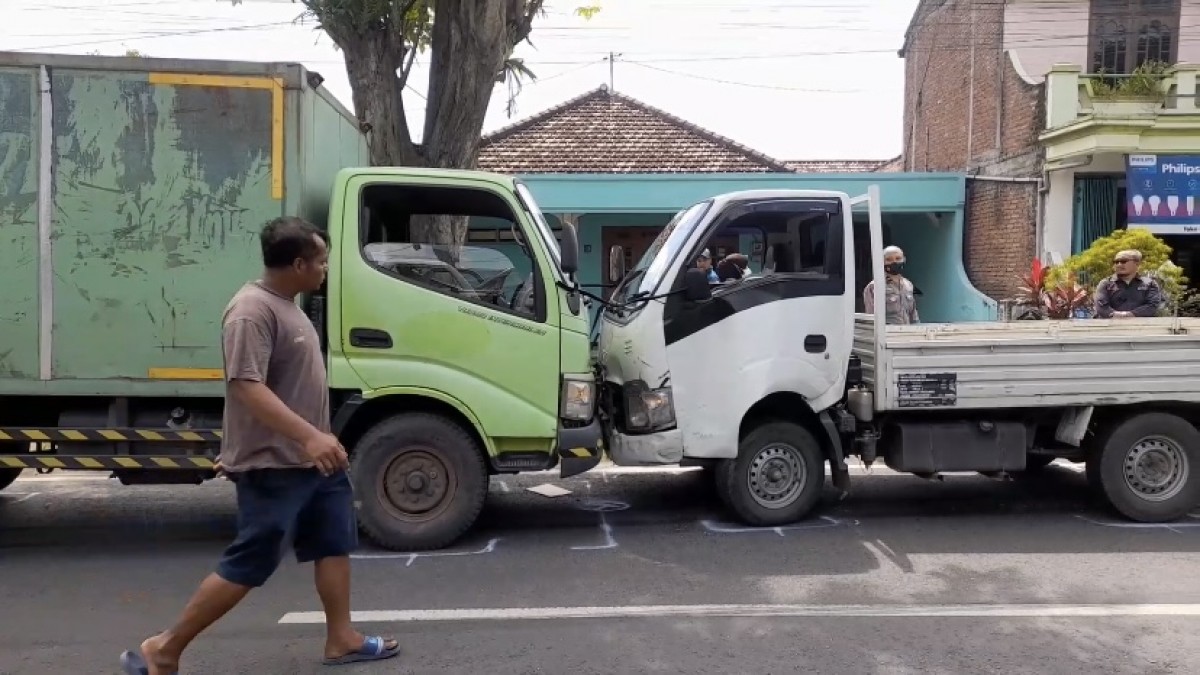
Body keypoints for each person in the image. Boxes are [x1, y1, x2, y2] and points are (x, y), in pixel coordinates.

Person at [120, 217, 400, 674]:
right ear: (297, 263)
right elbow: (246, 386)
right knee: (253, 559)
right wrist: (306, 435)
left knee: (333, 543)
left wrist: (318, 442)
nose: (325, 269)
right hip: (277, 464)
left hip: (315, 462)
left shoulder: (287, 304)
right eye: (321, 261)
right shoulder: (252, 310)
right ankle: (165, 648)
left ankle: (341, 637)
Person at [1094, 249, 1164, 318]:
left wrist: (1130, 314)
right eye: (1116, 262)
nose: (1119, 264)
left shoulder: (1150, 284)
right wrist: (1116, 315)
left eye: (1123, 261)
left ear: (1137, 264)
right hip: (1109, 327)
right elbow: (1101, 307)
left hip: (1140, 327)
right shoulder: (1105, 284)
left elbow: (1152, 306)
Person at [863, 245, 919, 325]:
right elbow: (872, 319)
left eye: (898, 258)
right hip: (888, 335)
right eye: (889, 259)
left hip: (907, 334)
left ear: (904, 260)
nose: (894, 262)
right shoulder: (874, 287)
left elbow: (913, 315)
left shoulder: (908, 285)